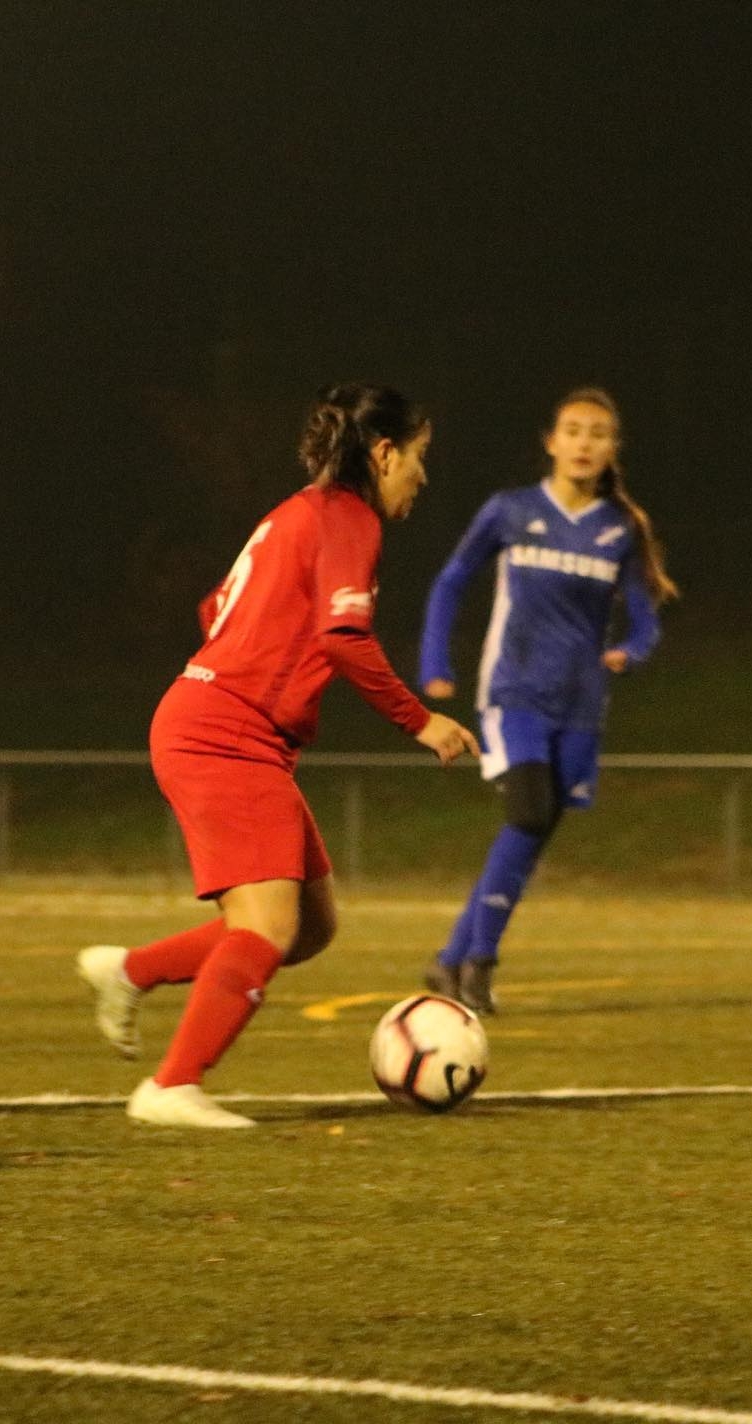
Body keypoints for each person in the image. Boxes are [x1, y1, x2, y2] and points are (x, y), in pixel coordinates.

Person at [77, 383, 478, 1130]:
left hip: (222, 724)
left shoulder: (297, 512)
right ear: (383, 453)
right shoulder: (350, 518)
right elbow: (343, 637)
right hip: (224, 734)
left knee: (310, 926)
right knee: (265, 927)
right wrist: (419, 720)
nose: (423, 475)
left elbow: (213, 609)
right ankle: (172, 1086)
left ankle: (130, 971)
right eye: (419, 456)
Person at [417, 386, 676, 1013]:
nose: (585, 442)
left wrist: (630, 651)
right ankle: (479, 964)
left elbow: (645, 620)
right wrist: (435, 663)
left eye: (598, 433)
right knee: (529, 814)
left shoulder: (620, 528)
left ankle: (451, 961)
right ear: (552, 442)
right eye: (574, 430)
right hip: (515, 692)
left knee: (529, 834)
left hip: (581, 705)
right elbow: (451, 581)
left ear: (613, 449)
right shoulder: (510, 510)